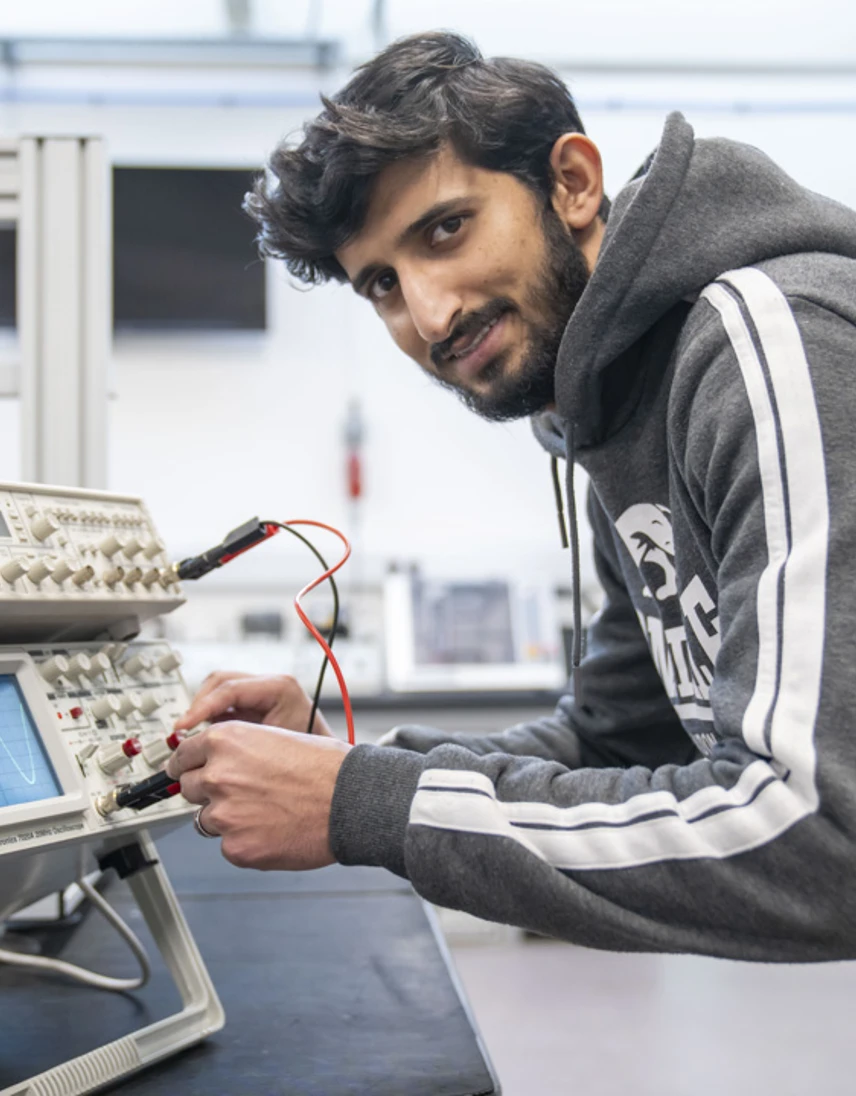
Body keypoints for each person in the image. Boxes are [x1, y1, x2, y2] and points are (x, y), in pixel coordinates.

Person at [167, 31, 856, 960]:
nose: (431, 314)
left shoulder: (764, 345)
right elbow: (614, 742)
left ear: (570, 182)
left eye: (445, 229)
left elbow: (816, 837)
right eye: (382, 283)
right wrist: (344, 766)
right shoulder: (611, 414)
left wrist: (362, 804)